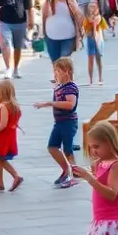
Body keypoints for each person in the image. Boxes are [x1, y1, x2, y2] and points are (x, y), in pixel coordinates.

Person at [35, 57, 80, 188]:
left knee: (68, 150)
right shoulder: (60, 86)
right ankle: (67, 169)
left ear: (66, 71)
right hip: (59, 122)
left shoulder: (71, 87)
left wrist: (50, 103)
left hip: (68, 122)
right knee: (52, 147)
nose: (56, 74)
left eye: (58, 71)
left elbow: (70, 104)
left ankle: (73, 174)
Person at [0, 79, 23, 192]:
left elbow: (3, 125)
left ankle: (13, 177)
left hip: (4, 136)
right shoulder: (15, 106)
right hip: (11, 135)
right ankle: (1, 181)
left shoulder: (4, 106)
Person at [42, 0, 81, 64]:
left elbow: (78, 18)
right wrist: (44, 34)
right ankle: (58, 78)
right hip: (51, 37)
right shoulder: (49, 1)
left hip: (68, 37)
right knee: (55, 63)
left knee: (64, 62)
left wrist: (78, 38)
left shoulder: (71, 0)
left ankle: (67, 77)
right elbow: (45, 16)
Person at [82, 1, 107, 87]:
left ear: (97, 8)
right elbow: (84, 29)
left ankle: (100, 78)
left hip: (98, 40)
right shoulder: (86, 19)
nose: (92, 9)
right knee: (90, 60)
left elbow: (102, 29)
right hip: (90, 40)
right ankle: (91, 79)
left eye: (94, 7)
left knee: (98, 59)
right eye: (90, 7)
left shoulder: (99, 18)